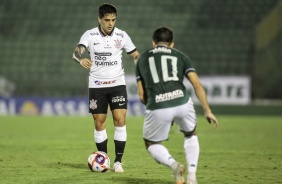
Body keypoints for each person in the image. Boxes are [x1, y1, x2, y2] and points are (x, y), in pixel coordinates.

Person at [135, 27, 218, 184]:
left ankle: (174, 165)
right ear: (172, 44)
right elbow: (197, 84)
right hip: (182, 102)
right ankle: (192, 176)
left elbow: (141, 95)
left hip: (158, 105)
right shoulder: (181, 56)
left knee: (151, 143)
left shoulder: (142, 58)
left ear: (153, 43)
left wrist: (159, 109)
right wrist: (207, 111)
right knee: (190, 134)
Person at [72, 3, 140, 173]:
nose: (110, 23)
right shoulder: (90, 35)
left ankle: (118, 161)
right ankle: (103, 158)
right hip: (97, 85)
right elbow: (76, 53)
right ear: (99, 19)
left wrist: (140, 63)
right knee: (99, 122)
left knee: (120, 120)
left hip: (117, 84)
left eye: (113, 20)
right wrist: (81, 60)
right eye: (107, 20)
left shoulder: (122, 36)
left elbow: (135, 54)